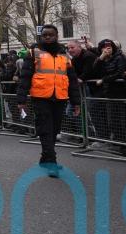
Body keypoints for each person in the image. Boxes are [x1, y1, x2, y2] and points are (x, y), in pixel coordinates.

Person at [16, 24, 81, 177]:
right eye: (44, 35)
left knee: (54, 130)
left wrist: (76, 102)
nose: (47, 37)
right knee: (45, 129)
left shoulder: (64, 54)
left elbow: (72, 79)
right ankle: (52, 162)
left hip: (60, 97)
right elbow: (25, 77)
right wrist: (21, 100)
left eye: (50, 35)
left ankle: (45, 158)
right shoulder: (33, 52)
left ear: (56, 36)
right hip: (40, 97)